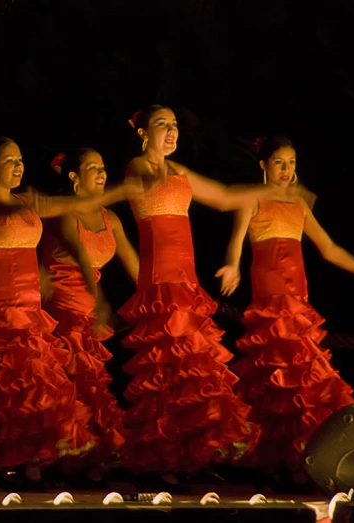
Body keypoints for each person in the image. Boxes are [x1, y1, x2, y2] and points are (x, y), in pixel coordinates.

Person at [117, 104, 306, 475]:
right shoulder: (138, 167)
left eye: (174, 126)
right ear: (142, 133)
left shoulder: (178, 170)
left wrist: (272, 188)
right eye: (161, 126)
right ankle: (162, 458)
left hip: (185, 282)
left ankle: (186, 456)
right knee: (166, 371)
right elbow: (152, 184)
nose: (171, 132)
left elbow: (221, 197)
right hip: (159, 283)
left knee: (191, 371)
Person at [215, 134, 354, 475]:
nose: (287, 170)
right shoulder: (252, 200)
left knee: (302, 379)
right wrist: (231, 266)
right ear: (263, 165)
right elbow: (236, 244)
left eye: (291, 163)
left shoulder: (299, 205)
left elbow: (330, 250)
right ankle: (280, 461)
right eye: (279, 162)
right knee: (278, 377)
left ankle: (297, 459)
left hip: (298, 300)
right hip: (271, 299)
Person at [0, 136, 136, 481]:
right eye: (10, 161)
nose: (19, 166)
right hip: (0, 307)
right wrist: (38, 205)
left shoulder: (24, 202)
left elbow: (51, 212)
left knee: (35, 388)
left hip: (31, 306)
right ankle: (2, 460)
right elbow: (18, 214)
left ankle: (31, 459)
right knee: (5, 384)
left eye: (21, 160)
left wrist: (116, 195)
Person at [40, 147, 140, 477]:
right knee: (69, 378)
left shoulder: (110, 218)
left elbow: (133, 263)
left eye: (102, 167)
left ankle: (89, 455)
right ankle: (63, 455)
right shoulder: (65, 213)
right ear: (74, 177)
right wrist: (100, 303)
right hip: (64, 301)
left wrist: (156, 296)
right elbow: (82, 257)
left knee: (92, 381)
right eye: (92, 167)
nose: (101, 172)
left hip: (89, 302)